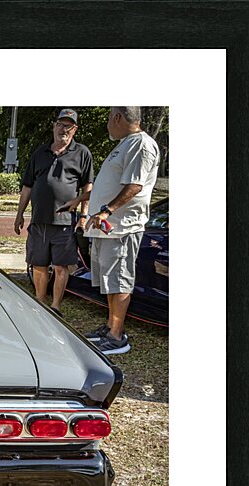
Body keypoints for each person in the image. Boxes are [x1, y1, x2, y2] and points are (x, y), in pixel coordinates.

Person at [82, 107, 160, 355]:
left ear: (117, 118)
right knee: (110, 280)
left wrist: (107, 210)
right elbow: (110, 183)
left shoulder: (141, 145)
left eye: (109, 119)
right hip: (107, 229)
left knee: (120, 280)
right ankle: (110, 327)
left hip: (122, 227)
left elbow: (135, 185)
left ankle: (117, 337)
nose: (107, 124)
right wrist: (80, 200)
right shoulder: (125, 144)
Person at [14, 109, 94, 317]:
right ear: (54, 126)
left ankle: (56, 306)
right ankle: (40, 303)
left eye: (68, 126)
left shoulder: (82, 153)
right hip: (39, 220)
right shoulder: (40, 153)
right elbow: (27, 186)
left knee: (60, 267)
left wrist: (83, 216)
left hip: (65, 222)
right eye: (60, 124)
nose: (63, 129)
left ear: (74, 129)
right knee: (39, 265)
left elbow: (88, 186)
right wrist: (19, 214)